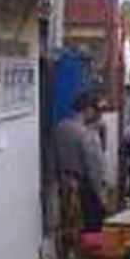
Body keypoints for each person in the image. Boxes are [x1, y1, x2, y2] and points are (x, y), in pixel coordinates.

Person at [55, 91, 107, 232]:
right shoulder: (88, 135)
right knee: (92, 233)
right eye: (98, 111)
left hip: (64, 186)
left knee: (68, 228)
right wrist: (102, 197)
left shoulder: (61, 127)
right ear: (88, 110)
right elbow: (95, 171)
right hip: (86, 191)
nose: (100, 115)